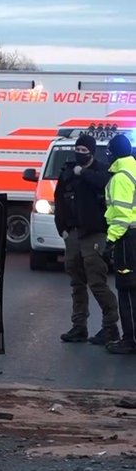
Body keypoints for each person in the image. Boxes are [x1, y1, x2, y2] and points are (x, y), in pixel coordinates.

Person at [54, 133, 120, 344]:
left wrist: (83, 172)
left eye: (84, 151)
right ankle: (78, 326)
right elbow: (59, 200)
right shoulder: (67, 172)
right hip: (73, 233)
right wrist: (62, 229)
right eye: (78, 150)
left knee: (96, 281)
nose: (80, 153)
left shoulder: (102, 171)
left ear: (91, 152)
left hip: (95, 233)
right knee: (76, 282)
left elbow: (104, 184)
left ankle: (110, 327)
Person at [103, 133, 136, 354]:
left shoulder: (120, 177)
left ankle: (129, 340)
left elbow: (122, 216)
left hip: (127, 239)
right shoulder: (132, 169)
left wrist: (110, 240)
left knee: (126, 289)